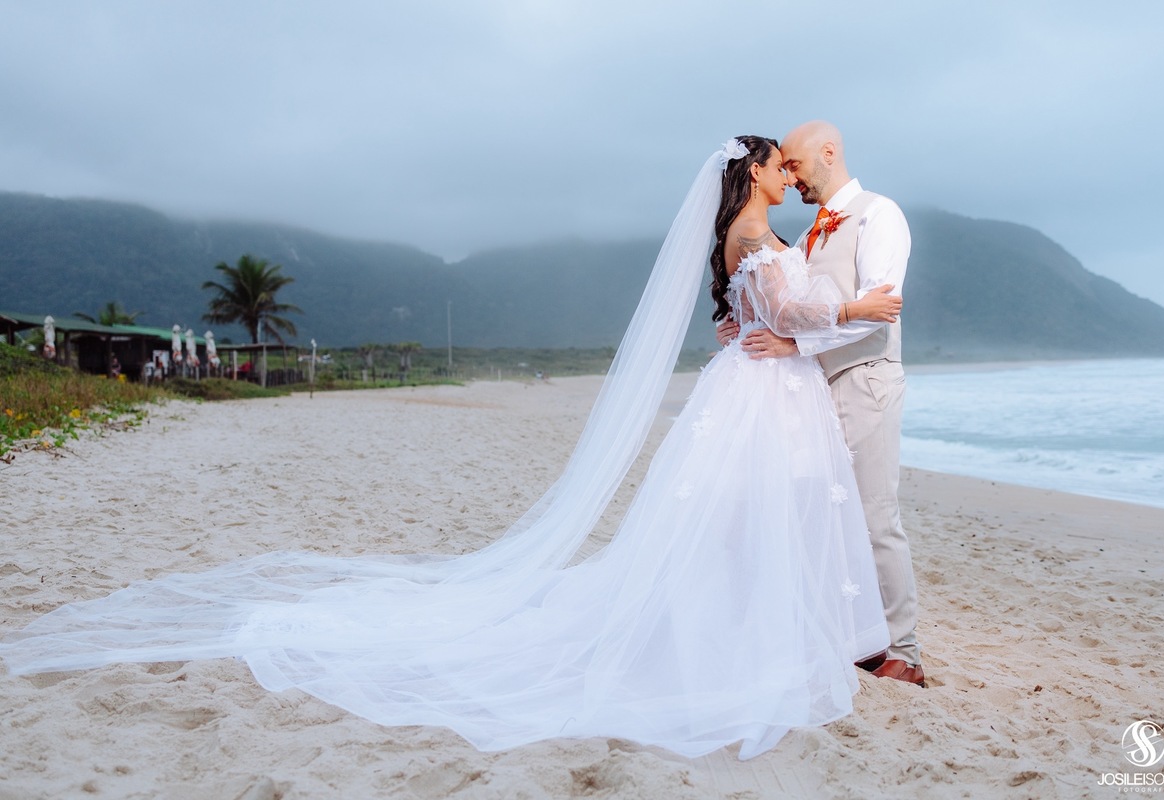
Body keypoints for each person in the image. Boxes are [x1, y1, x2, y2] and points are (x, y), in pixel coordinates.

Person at [1, 137, 899, 760]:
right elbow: (781, 313)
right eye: (777, 163)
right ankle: (755, 640)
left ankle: (764, 628)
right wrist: (855, 310)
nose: (788, 173)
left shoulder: (750, 233)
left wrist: (795, 329)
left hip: (759, 391)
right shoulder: (752, 232)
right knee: (742, 520)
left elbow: (766, 318)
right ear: (751, 173)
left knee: (741, 522)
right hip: (760, 394)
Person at [718, 121, 923, 686]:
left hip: (863, 377)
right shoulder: (805, 235)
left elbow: (878, 306)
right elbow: (784, 300)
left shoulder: (880, 215)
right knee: (828, 514)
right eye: (783, 167)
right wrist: (745, 324)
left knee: (874, 516)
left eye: (797, 165)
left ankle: (902, 650)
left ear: (828, 154)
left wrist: (790, 341)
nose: (793, 175)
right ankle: (857, 638)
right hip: (809, 387)